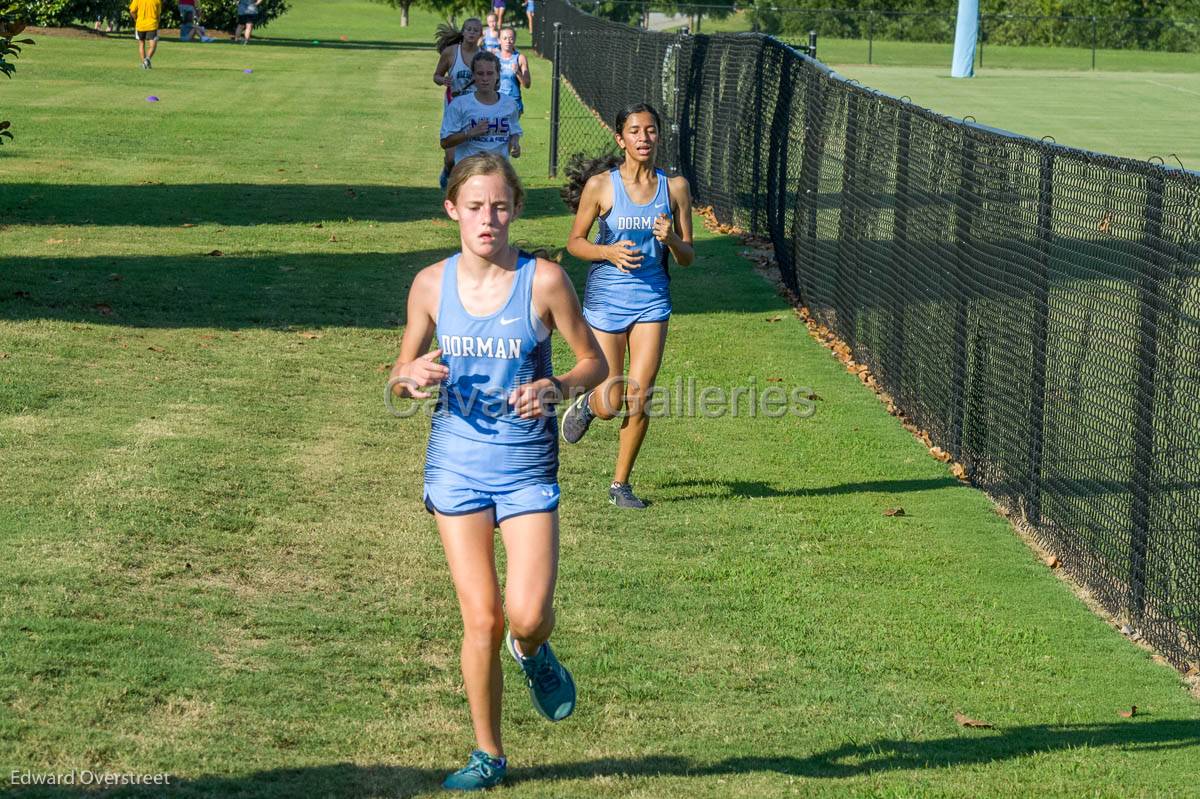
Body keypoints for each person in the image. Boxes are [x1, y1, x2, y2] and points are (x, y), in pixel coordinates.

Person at [387, 153, 606, 791]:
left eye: (501, 206)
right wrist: (411, 376)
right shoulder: (430, 285)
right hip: (455, 463)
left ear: (515, 210)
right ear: (452, 209)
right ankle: (489, 754)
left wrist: (557, 385)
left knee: (527, 614)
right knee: (480, 616)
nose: (489, 219)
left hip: (525, 465)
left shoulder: (544, 282)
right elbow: (398, 375)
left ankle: (532, 652)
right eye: (476, 207)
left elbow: (591, 363)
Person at [559, 103, 695, 509]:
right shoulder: (602, 187)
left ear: (658, 136)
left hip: (652, 300)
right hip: (605, 301)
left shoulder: (676, 189)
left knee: (641, 395)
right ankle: (587, 403)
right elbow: (574, 243)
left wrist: (671, 239)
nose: (643, 138)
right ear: (621, 139)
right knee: (612, 401)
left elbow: (688, 256)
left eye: (650, 130)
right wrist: (608, 252)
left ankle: (621, 484)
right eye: (635, 131)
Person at [440, 52, 521, 166]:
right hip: (469, 171)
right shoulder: (459, 104)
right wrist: (469, 133)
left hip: (499, 171)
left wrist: (515, 143)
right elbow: (445, 142)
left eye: (490, 73)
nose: (485, 78)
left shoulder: (509, 104)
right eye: (480, 73)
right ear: (473, 75)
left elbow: (514, 131)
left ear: (497, 75)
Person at [433, 18, 484, 188]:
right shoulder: (450, 52)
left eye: (475, 30)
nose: (471, 32)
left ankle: (465, 187)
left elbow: (492, 81)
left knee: (472, 154)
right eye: (468, 29)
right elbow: (436, 76)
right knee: (451, 157)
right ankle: (447, 170)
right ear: (463, 32)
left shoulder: (484, 56)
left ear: (480, 35)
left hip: (475, 108)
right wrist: (443, 80)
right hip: (453, 106)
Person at [496, 27, 530, 117]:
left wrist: (517, 72)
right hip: (496, 102)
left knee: (508, 129)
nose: (508, 41)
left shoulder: (520, 58)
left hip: (513, 104)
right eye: (505, 38)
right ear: (499, 40)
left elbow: (527, 84)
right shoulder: (494, 58)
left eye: (511, 38)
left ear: (514, 40)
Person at [128, 0, 161, 68]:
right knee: (152, 46)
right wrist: (157, 23)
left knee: (141, 44)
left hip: (140, 25)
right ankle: (147, 60)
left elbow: (132, 11)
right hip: (152, 25)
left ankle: (144, 63)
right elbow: (158, 14)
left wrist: (136, 19)